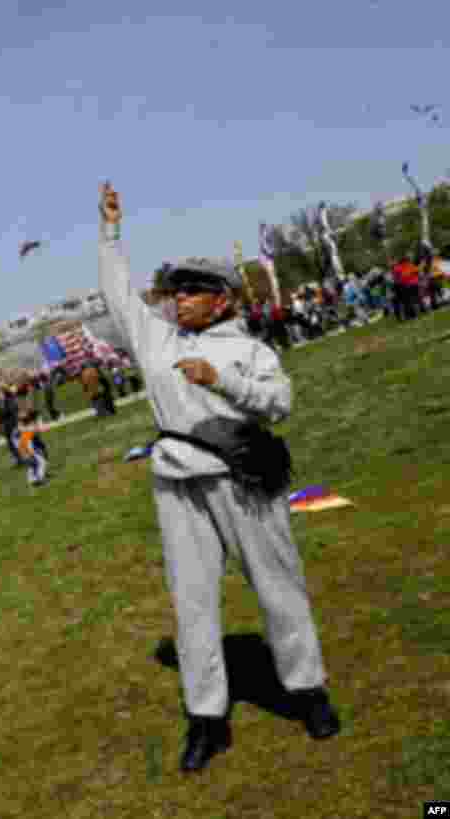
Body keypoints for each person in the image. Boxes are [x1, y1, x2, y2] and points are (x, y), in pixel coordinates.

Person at [97, 182, 339, 773]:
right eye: (177, 290)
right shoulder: (156, 342)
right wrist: (110, 233)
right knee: (192, 603)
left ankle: (307, 692)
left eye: (195, 290)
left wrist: (220, 382)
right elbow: (118, 297)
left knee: (277, 586)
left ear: (223, 300)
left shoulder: (251, 351)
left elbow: (279, 406)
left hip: (241, 478)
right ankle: (207, 718)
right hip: (177, 484)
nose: (181, 299)